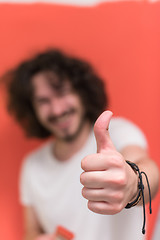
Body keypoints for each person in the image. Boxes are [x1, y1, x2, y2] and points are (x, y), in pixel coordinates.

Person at [6, 49, 159, 240]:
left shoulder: (119, 132)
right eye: (43, 101)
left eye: (62, 93)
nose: (57, 109)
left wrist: (132, 184)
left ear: (81, 93)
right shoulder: (32, 165)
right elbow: (31, 232)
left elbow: (149, 173)